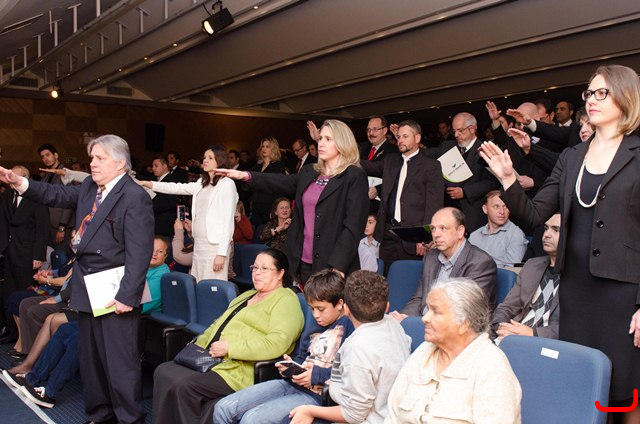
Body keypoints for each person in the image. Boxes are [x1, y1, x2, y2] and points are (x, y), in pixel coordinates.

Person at [479, 64, 640, 416]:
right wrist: (508, 179)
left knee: (625, 394)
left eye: (602, 93)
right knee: (580, 385)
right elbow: (534, 215)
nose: (592, 99)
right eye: (589, 92)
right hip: (576, 291)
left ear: (626, 97)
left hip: (624, 294)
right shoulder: (572, 157)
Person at [0, 134, 155, 424]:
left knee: (119, 363)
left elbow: (140, 252)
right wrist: (20, 182)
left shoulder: (134, 196)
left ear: (120, 163)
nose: (92, 163)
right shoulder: (89, 187)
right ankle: (101, 415)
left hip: (114, 292)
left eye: (100, 158)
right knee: (91, 359)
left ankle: (129, 419)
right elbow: (55, 195)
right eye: (92, 157)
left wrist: (127, 296)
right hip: (86, 287)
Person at [152, 248, 304, 424]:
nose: (257, 273)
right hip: (213, 359)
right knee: (164, 371)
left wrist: (230, 348)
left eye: (264, 269)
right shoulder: (247, 295)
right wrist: (200, 347)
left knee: (183, 385)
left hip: (239, 370)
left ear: (280, 273)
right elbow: (217, 324)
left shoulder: (286, 300)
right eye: (255, 268)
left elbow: (276, 344)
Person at [216, 119, 369, 285]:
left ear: (342, 142)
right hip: (303, 261)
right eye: (320, 138)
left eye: (328, 139)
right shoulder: (310, 171)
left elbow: (353, 227)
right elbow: (281, 181)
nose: (321, 143)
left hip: (333, 264)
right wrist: (246, 176)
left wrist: (338, 266)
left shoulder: (353, 175)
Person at [213, 269, 354, 423]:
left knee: (252, 420)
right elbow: (302, 357)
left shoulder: (351, 327)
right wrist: (291, 366)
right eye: (312, 309)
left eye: (321, 309)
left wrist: (315, 375)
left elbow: (350, 374)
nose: (315, 315)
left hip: (318, 396)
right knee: (223, 408)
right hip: (292, 384)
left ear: (340, 303)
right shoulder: (316, 323)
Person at [385, 278, 521, 423]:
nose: (425, 318)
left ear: (464, 324)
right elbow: (393, 414)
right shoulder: (424, 351)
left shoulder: (491, 365)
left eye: (435, 311)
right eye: (428, 309)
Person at [287, 270, 411, 424]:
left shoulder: (357, 348)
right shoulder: (393, 324)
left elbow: (353, 415)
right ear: (386, 307)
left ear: (345, 309)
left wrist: (309, 410)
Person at [139, 145, 238, 282]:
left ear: (220, 160)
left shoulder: (227, 184)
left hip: (214, 246)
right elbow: (177, 188)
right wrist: (149, 184)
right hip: (199, 243)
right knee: (197, 282)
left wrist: (221, 253)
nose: (205, 160)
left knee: (212, 286)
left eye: (210, 158)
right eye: (205, 157)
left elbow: (227, 221)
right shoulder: (202, 182)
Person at [363, 120, 444, 271]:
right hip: (388, 235)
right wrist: (346, 158)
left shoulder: (431, 166)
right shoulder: (391, 161)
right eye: (399, 137)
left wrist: (424, 237)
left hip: (414, 238)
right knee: (385, 280)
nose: (400, 140)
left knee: (410, 280)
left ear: (417, 138)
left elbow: (434, 206)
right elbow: (370, 166)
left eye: (405, 136)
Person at [393, 207, 497, 321]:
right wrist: (403, 319)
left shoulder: (481, 262)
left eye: (443, 228)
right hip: (424, 322)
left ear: (460, 231)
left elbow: (465, 313)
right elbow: (419, 298)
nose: (436, 234)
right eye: (433, 229)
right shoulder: (431, 257)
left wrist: (418, 322)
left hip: (455, 326)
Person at [492, 213, 561, 341]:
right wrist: (501, 326)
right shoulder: (532, 265)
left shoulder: (580, 277)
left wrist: (532, 333)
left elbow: (572, 329)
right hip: (512, 336)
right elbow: (507, 307)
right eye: (546, 228)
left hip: (547, 344)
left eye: (556, 230)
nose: (547, 234)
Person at [0, 166, 49, 345]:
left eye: (14, 176)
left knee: (25, 292)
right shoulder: (7, 195)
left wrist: (38, 255)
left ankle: (27, 337)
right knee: (8, 291)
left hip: (28, 253)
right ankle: (11, 331)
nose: (10, 178)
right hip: (9, 251)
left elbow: (42, 228)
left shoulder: (36, 196)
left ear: (25, 179)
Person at [468, 190, 528, 267]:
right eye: (496, 207)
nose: (502, 212)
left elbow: (512, 269)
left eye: (505, 206)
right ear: (485, 209)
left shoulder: (515, 234)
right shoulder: (474, 236)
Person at [38, 144, 74, 254]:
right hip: (49, 224)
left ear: (56, 155)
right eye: (43, 157)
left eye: (48, 155)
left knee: (61, 257)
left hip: (61, 226)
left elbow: (69, 201)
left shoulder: (65, 173)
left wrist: (62, 227)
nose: (45, 159)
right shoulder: (47, 175)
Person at [250, 137, 286, 226]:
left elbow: (278, 188)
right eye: (263, 146)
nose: (264, 149)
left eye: (267, 146)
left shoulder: (278, 166)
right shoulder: (257, 166)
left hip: (270, 205)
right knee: (256, 231)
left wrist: (275, 209)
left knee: (268, 231)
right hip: (256, 204)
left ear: (273, 148)